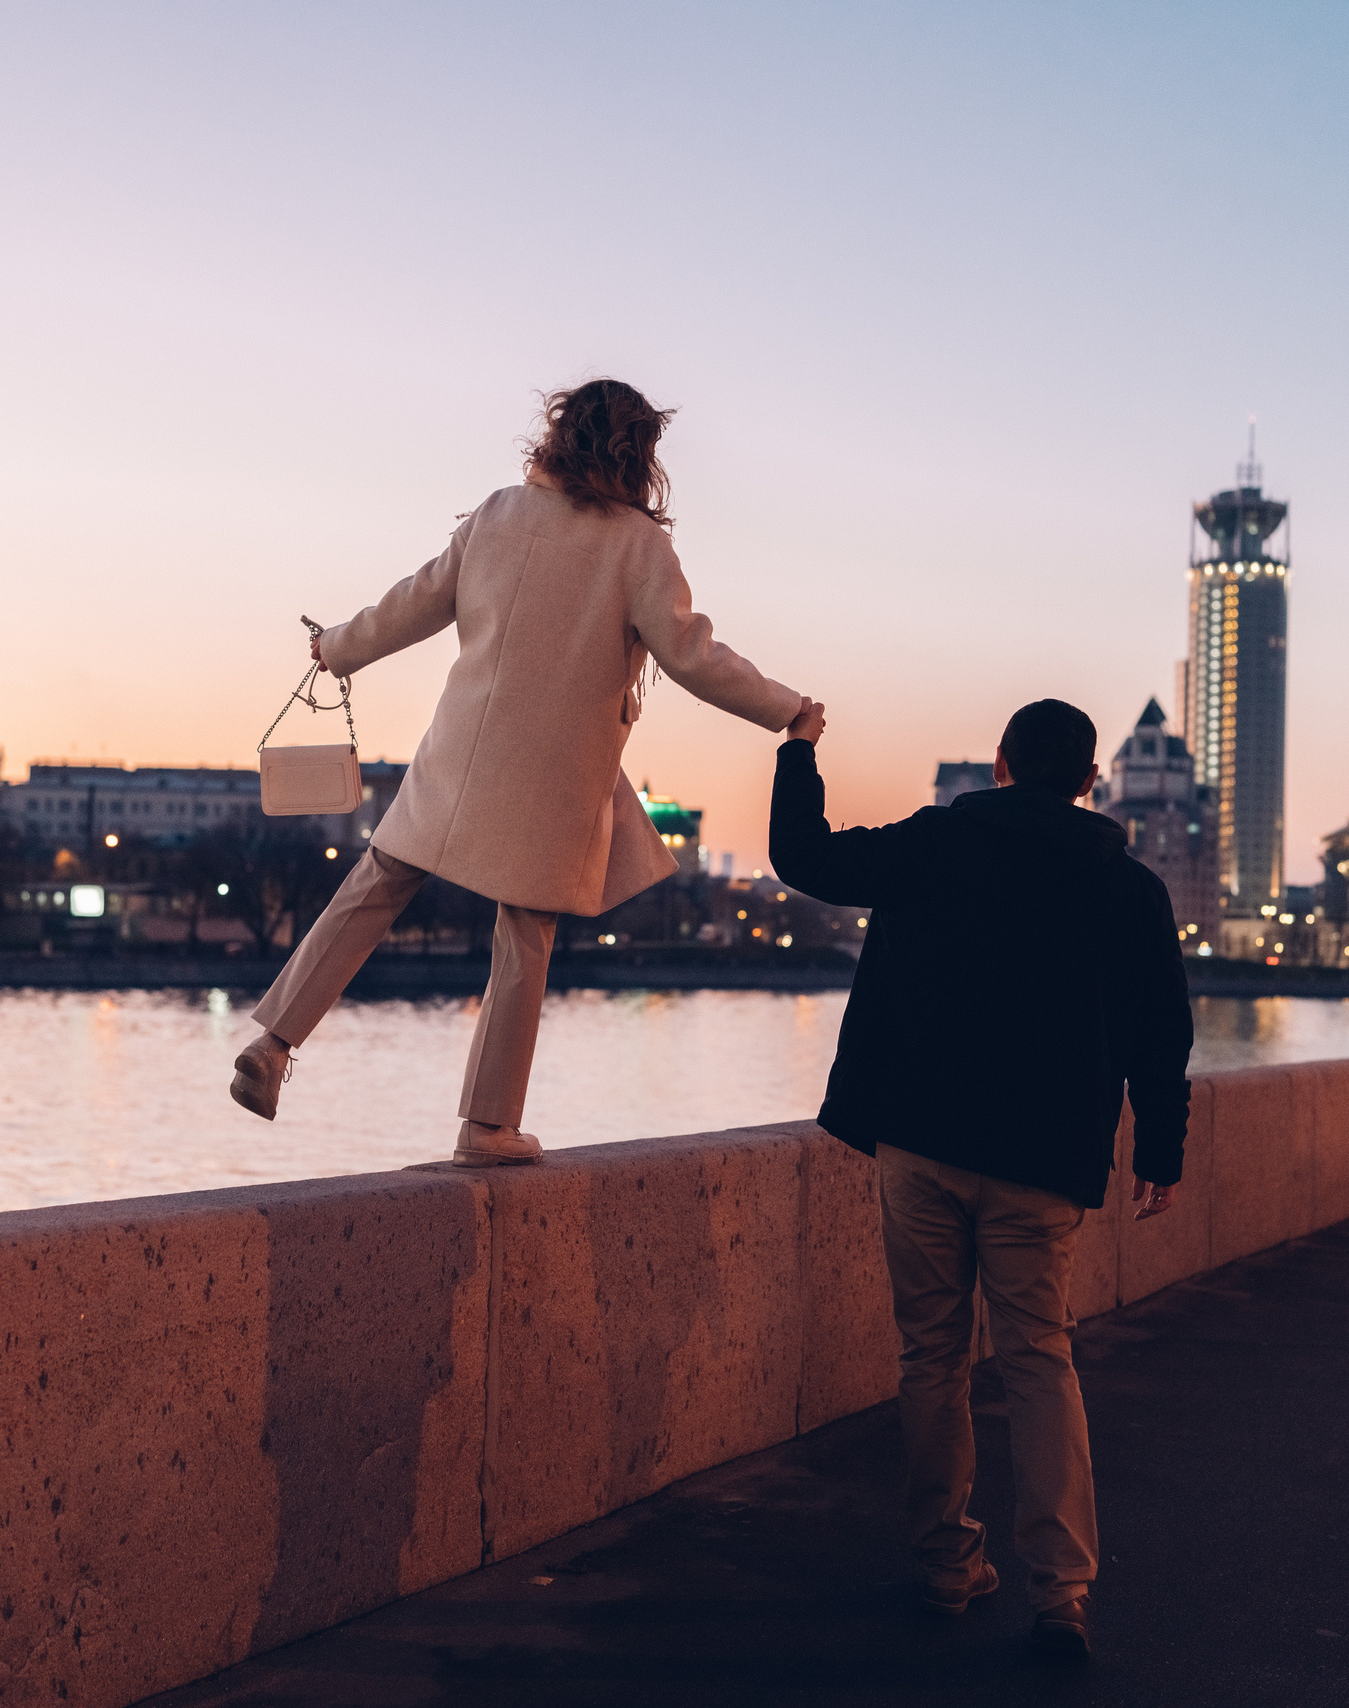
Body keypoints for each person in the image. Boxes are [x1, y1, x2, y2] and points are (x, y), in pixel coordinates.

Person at [230, 379, 811, 1167]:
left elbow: (412, 604)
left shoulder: (497, 512)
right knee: (523, 935)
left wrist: (336, 646)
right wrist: (786, 709)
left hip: (460, 751)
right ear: (639, 455)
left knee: (375, 884)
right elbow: (693, 656)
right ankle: (487, 1126)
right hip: (554, 775)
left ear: (559, 433)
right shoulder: (638, 545)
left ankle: (273, 1041)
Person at [767, 696, 1192, 1660]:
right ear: (1090, 781)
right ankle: (1062, 1593)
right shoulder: (1127, 888)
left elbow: (807, 857)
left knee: (932, 1356)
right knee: (1040, 1357)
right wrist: (1161, 1151)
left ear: (1000, 763)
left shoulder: (932, 844)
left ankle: (947, 1564)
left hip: (920, 1139)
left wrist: (799, 752)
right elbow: (1162, 1036)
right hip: (1043, 1161)